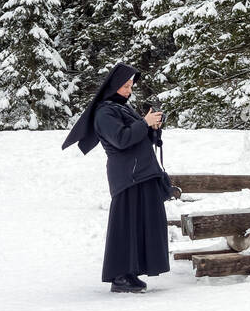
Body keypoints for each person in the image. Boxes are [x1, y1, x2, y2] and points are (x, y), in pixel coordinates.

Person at [62, 61, 172, 293]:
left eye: (130, 86)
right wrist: (144, 123)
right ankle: (120, 276)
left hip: (140, 173)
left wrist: (152, 128)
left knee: (141, 223)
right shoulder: (105, 111)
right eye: (124, 86)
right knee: (126, 225)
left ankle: (131, 272)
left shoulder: (123, 108)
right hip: (128, 176)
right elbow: (121, 139)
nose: (128, 90)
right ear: (113, 86)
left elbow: (139, 138)